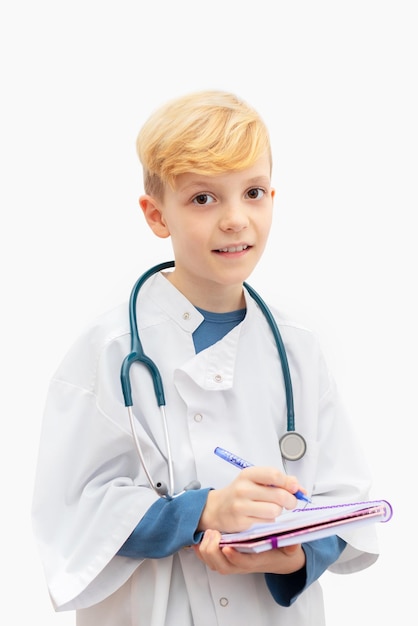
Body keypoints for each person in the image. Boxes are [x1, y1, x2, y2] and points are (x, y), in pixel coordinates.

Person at [32, 90, 379, 626]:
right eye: (203, 199)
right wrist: (203, 512)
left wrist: (298, 554)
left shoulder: (298, 351)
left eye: (254, 192)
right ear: (155, 214)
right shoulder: (110, 351)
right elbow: (75, 513)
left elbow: (343, 499)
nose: (236, 219)